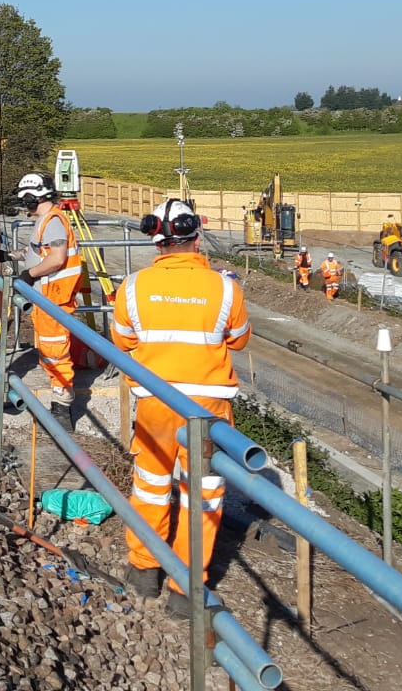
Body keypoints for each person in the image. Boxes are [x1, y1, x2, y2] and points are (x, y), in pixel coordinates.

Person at [112, 198, 249, 607]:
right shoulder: (225, 288)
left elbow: (123, 340)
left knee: (152, 486)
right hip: (208, 411)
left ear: (156, 239)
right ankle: (185, 591)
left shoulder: (134, 287)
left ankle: (144, 571)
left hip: (155, 404)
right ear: (197, 236)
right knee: (202, 495)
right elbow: (239, 339)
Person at [15, 171, 85, 430]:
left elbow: (56, 259)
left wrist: (29, 274)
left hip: (54, 297)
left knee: (55, 351)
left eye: (26, 200)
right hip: (47, 296)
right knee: (48, 349)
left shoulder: (53, 220)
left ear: (32, 198)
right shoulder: (47, 220)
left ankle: (62, 406)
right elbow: (37, 251)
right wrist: (11, 255)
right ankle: (60, 398)